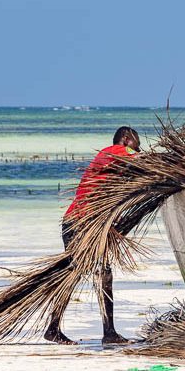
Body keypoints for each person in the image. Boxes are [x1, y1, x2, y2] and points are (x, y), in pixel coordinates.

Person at [44, 126, 141, 345]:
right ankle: (56, 328)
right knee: (75, 274)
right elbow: (143, 159)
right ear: (126, 139)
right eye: (137, 142)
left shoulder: (115, 166)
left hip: (84, 222)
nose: (138, 146)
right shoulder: (114, 151)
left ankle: (108, 332)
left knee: (100, 274)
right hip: (80, 222)